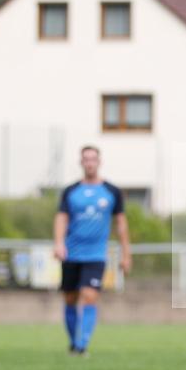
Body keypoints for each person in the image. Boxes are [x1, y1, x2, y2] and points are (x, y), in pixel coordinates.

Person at [54, 146, 132, 355]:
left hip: (96, 255)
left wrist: (126, 254)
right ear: (81, 163)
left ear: (99, 162)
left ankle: (82, 345)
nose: (89, 163)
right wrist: (59, 243)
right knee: (70, 298)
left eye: (93, 159)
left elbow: (121, 224)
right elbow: (62, 217)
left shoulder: (112, 192)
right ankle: (73, 341)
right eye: (86, 159)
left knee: (89, 296)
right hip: (71, 253)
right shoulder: (70, 191)